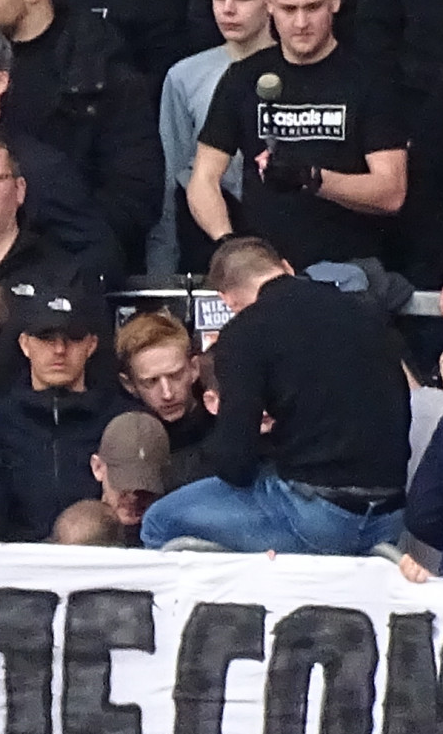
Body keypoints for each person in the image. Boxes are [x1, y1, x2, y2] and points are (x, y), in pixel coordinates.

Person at [140, 238, 413, 555]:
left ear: (227, 301)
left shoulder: (244, 333)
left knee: (159, 521)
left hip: (314, 516)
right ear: (285, 267)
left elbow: (235, 464)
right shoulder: (364, 311)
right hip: (391, 516)